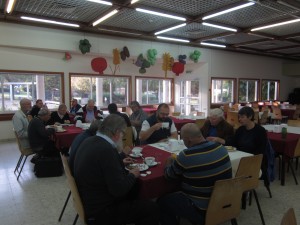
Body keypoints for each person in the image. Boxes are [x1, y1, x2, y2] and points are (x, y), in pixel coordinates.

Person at [74, 114, 159, 225]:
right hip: (102, 211)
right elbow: (119, 190)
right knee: (151, 207)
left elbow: (101, 165)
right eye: (123, 133)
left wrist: (119, 160)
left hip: (90, 198)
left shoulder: (90, 140)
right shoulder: (107, 150)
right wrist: (133, 174)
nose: (123, 137)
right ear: (117, 133)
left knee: (136, 187)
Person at [158, 123, 232, 225]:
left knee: (162, 201)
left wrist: (169, 163)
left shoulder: (186, 155)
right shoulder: (221, 148)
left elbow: (169, 176)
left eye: (183, 140)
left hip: (201, 208)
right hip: (225, 201)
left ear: (188, 140)